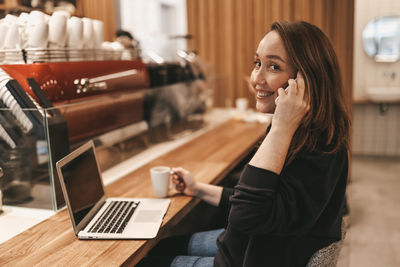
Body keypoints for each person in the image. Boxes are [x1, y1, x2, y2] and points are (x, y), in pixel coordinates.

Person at [140, 20, 350, 267]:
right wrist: (198, 189)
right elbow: (257, 200)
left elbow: (246, 214)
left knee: (147, 262)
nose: (256, 78)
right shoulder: (301, 131)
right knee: (163, 247)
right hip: (252, 244)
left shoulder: (317, 147)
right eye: (257, 63)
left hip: (256, 255)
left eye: (273, 66)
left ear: (305, 81)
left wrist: (280, 129)